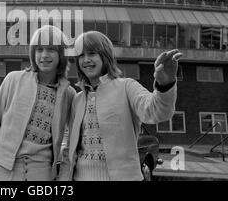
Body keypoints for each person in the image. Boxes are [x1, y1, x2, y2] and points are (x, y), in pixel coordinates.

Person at [59, 31, 182, 181]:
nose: (86, 60)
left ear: (105, 56)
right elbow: (70, 149)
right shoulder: (77, 100)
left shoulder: (126, 87)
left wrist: (165, 85)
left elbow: (156, 111)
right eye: (81, 56)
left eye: (91, 53)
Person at [0, 25, 76, 181]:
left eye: (51, 49)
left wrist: (64, 179)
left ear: (61, 54)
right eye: (39, 49)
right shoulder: (13, 80)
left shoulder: (69, 94)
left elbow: (71, 146)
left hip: (42, 176)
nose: (44, 55)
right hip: (4, 172)